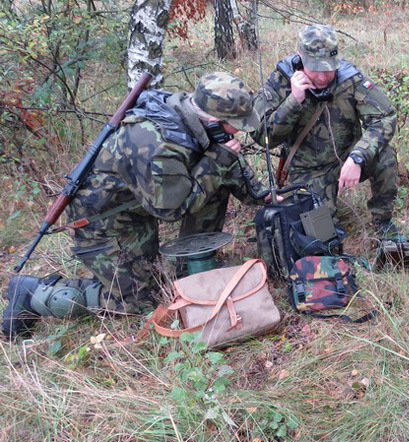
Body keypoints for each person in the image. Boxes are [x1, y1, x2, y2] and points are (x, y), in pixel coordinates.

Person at [2, 72, 271, 339]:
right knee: (140, 303)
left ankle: (190, 271)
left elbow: (225, 159)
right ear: (213, 121)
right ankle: (31, 293)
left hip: (141, 209)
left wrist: (264, 196)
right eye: (235, 125)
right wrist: (218, 160)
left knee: (214, 173)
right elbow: (172, 209)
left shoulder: (192, 116)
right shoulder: (158, 142)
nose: (239, 131)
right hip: (106, 224)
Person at [252, 24, 399, 236]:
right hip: (308, 171)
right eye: (315, 69)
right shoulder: (280, 81)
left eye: (328, 69)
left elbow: (384, 117)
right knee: (320, 238)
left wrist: (358, 157)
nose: (322, 78)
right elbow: (263, 136)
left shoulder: (349, 79)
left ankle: (383, 223)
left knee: (384, 155)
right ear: (300, 58)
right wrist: (293, 101)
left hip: (346, 158)